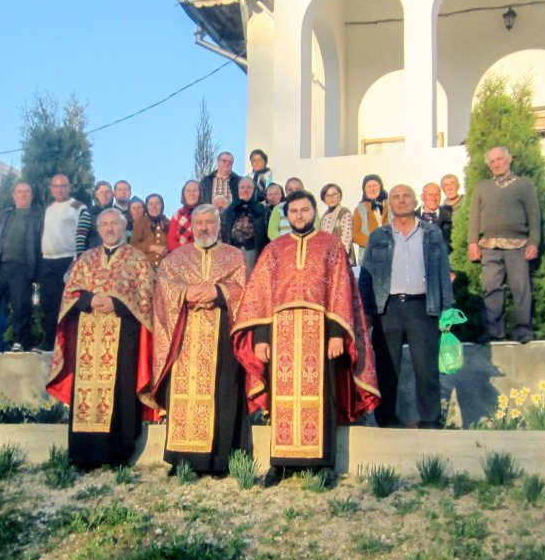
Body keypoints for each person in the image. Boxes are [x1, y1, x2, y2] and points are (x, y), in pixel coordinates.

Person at [233, 191, 380, 486]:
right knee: (281, 397)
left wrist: (337, 335)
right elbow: (261, 297)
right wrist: (261, 338)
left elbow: (341, 291)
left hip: (321, 332)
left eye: (304, 210)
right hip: (281, 332)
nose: (299, 215)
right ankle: (280, 463)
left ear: (314, 212)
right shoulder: (274, 250)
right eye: (294, 211)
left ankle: (324, 464)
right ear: (287, 215)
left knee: (324, 396)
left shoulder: (331, 245)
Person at [142, 204, 250, 475]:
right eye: (199, 223)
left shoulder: (233, 256)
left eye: (209, 222)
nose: (204, 228)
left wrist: (218, 291)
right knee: (183, 395)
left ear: (218, 225)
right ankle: (182, 460)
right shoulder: (175, 259)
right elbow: (164, 289)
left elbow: (244, 291)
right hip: (184, 338)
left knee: (222, 394)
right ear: (191, 226)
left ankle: (220, 461)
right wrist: (185, 293)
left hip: (221, 338)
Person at [47, 208, 155, 466]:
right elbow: (70, 292)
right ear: (98, 229)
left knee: (121, 390)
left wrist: (116, 303)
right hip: (88, 333)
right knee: (87, 393)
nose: (110, 228)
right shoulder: (85, 259)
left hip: (123, 333)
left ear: (123, 227)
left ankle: (119, 453)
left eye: (114, 224)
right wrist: (90, 299)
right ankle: (84, 454)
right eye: (105, 224)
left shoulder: (137, 259)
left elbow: (147, 296)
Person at [359, 185, 454, 429]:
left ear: (415, 201)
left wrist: (448, 308)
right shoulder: (378, 236)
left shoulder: (431, 233)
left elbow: (442, 270)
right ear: (390, 204)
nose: (401, 201)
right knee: (387, 369)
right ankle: (387, 420)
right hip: (387, 309)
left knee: (426, 369)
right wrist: (365, 312)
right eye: (396, 197)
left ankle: (430, 420)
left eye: (406, 196)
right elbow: (367, 275)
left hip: (422, 308)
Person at [467, 147, 541, 344]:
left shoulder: (524, 185)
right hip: (489, 247)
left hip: (518, 247)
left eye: (499, 159)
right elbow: (474, 217)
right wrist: (472, 242)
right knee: (491, 288)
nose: (496, 164)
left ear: (509, 159)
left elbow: (534, 215)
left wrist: (533, 241)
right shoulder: (482, 187)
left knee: (521, 288)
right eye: (492, 162)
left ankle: (523, 330)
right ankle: (494, 332)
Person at [0, 181, 43, 352]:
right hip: (0, 266)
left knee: (21, 306)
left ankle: (19, 342)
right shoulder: (5, 215)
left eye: (27, 191)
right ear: (13, 195)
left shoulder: (38, 216)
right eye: (19, 191)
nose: (23, 194)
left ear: (32, 195)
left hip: (23, 268)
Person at [40, 174, 87, 348]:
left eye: (63, 186)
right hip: (47, 261)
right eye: (55, 186)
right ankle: (49, 341)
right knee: (48, 302)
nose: (59, 189)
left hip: (67, 261)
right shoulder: (48, 208)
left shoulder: (78, 206)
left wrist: (77, 260)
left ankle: (67, 343)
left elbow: (82, 235)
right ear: (51, 189)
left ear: (69, 187)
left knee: (67, 303)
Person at [220, 177, 269, 274]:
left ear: (254, 190)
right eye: (242, 187)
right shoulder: (230, 210)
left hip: (253, 251)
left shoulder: (262, 209)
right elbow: (224, 232)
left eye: (249, 187)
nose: (245, 190)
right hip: (233, 251)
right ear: (238, 190)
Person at [352, 174, 390, 257]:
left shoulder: (392, 205)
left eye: (375, 186)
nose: (372, 189)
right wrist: (374, 243)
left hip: (391, 251)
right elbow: (355, 234)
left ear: (381, 187)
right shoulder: (359, 209)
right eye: (368, 187)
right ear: (364, 190)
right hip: (369, 254)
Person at [131, 193, 169, 270]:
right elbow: (133, 245)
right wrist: (153, 248)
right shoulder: (140, 222)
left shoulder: (167, 222)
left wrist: (167, 250)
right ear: (147, 207)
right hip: (144, 269)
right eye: (150, 204)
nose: (154, 207)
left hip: (164, 269)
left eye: (157, 203)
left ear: (162, 206)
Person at [319, 183, 354, 263]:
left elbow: (346, 240)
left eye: (334, 194)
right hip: (327, 259)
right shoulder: (323, 217)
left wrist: (337, 259)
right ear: (323, 199)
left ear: (340, 196)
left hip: (341, 259)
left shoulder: (344, 212)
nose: (331, 198)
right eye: (327, 195)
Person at [417, 182, 453, 255]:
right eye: (430, 195)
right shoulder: (410, 219)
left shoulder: (450, 217)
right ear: (422, 197)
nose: (434, 198)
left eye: (437, 195)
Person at [81, 180, 116, 252]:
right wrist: (80, 255)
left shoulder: (117, 214)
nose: (104, 195)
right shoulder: (88, 214)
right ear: (96, 195)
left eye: (107, 192)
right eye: (101, 192)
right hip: (93, 254)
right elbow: (80, 238)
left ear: (112, 195)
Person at [168, 180, 203, 251]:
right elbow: (171, 240)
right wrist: (184, 252)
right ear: (183, 194)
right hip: (182, 254)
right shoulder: (177, 215)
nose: (191, 193)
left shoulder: (207, 213)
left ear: (199, 193)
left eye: (195, 190)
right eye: (188, 191)